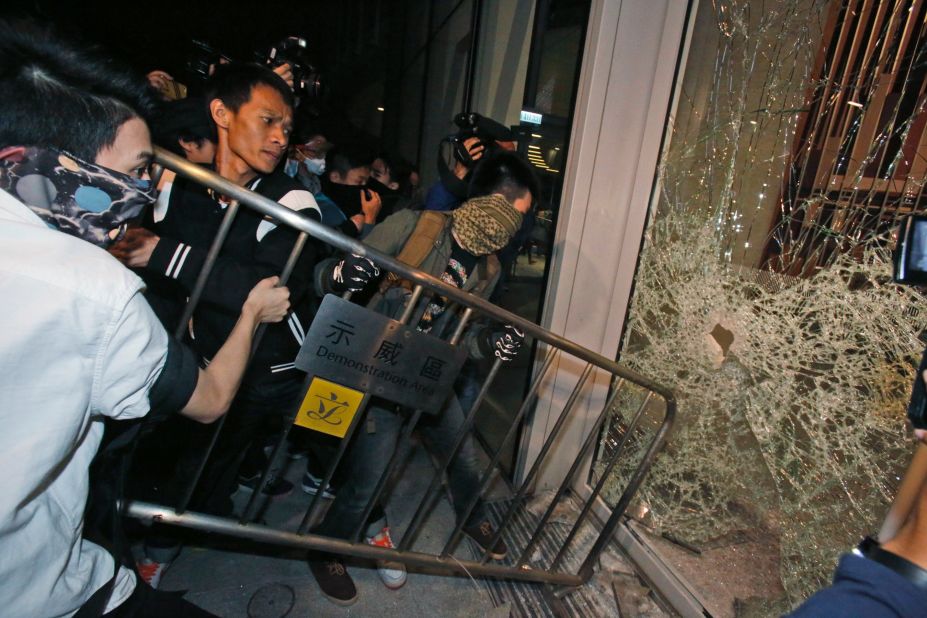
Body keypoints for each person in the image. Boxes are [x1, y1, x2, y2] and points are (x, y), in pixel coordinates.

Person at [0, 21, 290, 617]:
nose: (142, 190)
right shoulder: (97, 285)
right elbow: (208, 395)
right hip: (43, 588)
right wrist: (243, 309)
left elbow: (271, 274)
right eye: (135, 171)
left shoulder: (287, 200)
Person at [109, 62, 322, 581]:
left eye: (287, 129)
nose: (279, 138)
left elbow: (269, 287)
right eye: (268, 120)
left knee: (298, 445)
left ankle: (160, 553)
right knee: (182, 457)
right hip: (203, 360)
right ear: (221, 114)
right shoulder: (180, 187)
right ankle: (150, 545)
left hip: (277, 369)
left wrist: (167, 255)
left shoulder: (292, 201)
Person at [305, 150, 538, 606]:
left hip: (427, 374)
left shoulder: (488, 268)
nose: (517, 227)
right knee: (369, 477)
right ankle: (327, 545)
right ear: (493, 199)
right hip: (373, 368)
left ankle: (472, 514)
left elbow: (464, 334)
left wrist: (489, 344)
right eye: (518, 212)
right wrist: (340, 272)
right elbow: (322, 275)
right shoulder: (416, 227)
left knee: (462, 454)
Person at [315, 144, 381, 237]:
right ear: (335, 177)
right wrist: (369, 219)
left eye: (365, 183)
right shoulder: (324, 209)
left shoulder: (344, 210)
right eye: (359, 181)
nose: (363, 188)